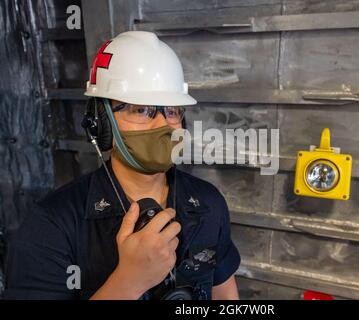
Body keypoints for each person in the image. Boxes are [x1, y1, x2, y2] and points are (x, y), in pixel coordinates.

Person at [4, 31, 240, 300]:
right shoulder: (52, 225)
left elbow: (225, 294)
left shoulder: (209, 202)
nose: (163, 124)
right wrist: (128, 282)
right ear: (101, 123)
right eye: (141, 110)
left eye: (172, 111)